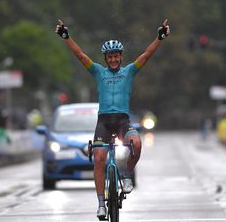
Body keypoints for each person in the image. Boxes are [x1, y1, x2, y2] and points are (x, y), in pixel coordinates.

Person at [55, 19, 170, 219]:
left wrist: (160, 37)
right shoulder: (98, 71)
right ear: (106, 58)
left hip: (123, 120)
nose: (114, 59)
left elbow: (147, 54)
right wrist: (66, 37)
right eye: (110, 57)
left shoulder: (129, 72)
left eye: (116, 56)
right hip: (104, 122)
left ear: (121, 57)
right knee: (99, 159)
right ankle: (101, 204)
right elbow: (80, 56)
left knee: (137, 144)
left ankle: (126, 175)